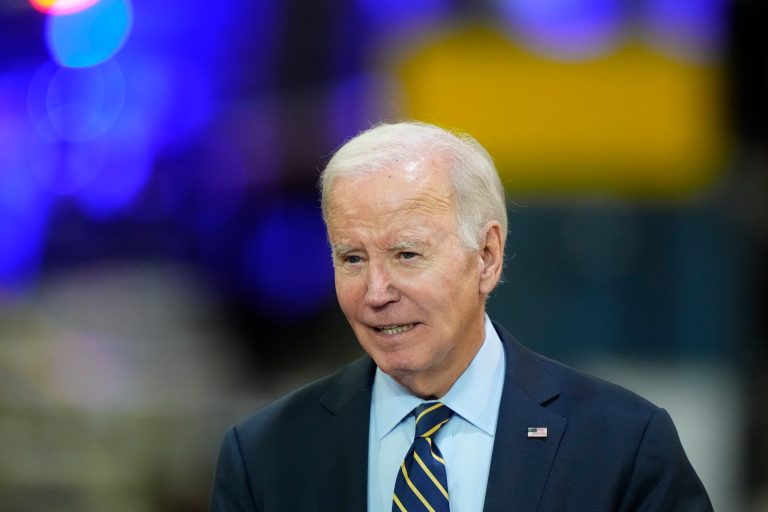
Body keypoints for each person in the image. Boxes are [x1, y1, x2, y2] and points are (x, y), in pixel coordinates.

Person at [209, 121, 713, 511]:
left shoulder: (621, 446)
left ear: (487, 257)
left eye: (407, 255)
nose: (376, 293)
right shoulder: (265, 456)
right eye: (353, 259)